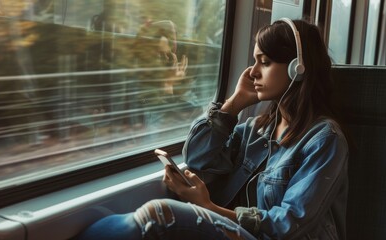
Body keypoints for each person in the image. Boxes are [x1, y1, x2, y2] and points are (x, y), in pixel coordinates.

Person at [78, 19, 349, 240]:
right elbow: (197, 159)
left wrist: (209, 208)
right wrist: (232, 105)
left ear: (297, 69)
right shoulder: (256, 130)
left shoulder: (324, 139)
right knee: (131, 219)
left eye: (264, 62)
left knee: (159, 216)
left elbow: (289, 223)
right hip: (238, 231)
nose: (252, 72)